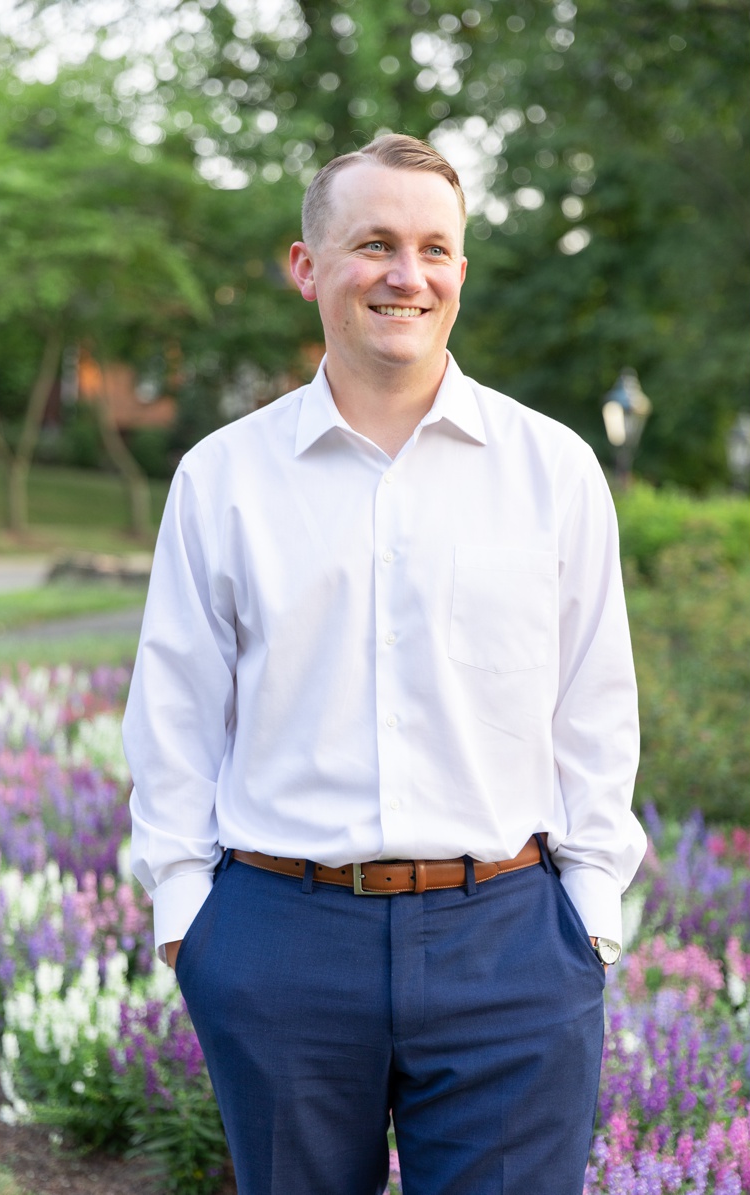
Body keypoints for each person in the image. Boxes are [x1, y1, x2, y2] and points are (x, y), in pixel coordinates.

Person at [123, 133, 646, 1193]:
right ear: (307, 266)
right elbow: (175, 713)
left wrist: (588, 910)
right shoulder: (221, 479)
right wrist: (189, 923)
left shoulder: (553, 469)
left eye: (434, 248)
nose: (406, 275)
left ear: (460, 270)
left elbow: (594, 704)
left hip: (510, 941)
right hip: (278, 943)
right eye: (374, 244)